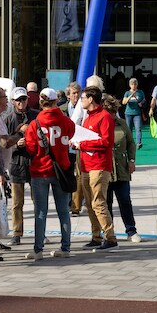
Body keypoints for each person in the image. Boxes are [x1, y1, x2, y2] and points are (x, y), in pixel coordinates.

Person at [22, 87, 76, 260]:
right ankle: (65, 248)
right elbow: (72, 134)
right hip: (61, 170)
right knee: (64, 211)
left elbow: (31, 149)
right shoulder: (66, 121)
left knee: (40, 212)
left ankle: (38, 250)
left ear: (40, 102)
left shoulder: (35, 123)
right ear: (56, 102)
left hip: (40, 171)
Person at [78, 86, 117, 250]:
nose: (81, 101)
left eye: (83, 98)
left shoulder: (104, 117)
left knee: (98, 202)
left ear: (90, 99)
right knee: (89, 203)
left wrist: (83, 144)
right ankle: (96, 236)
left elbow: (106, 141)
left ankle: (110, 237)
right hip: (86, 165)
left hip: (99, 166)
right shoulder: (87, 117)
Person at [104, 95, 141, 243]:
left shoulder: (122, 124)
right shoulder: (100, 124)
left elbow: (131, 143)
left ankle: (131, 230)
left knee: (125, 201)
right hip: (105, 170)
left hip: (121, 169)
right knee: (106, 203)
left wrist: (131, 160)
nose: (113, 115)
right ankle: (108, 232)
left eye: (115, 112)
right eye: (110, 112)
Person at [4, 87, 33, 246]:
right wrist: (16, 145)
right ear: (13, 102)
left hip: (34, 163)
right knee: (16, 203)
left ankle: (40, 232)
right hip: (16, 163)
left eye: (24, 99)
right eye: (18, 100)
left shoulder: (35, 115)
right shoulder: (8, 119)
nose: (22, 102)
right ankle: (17, 233)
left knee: (38, 201)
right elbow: (4, 143)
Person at [65, 82, 87, 215]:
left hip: (79, 147)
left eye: (78, 93)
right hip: (66, 148)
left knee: (80, 176)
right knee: (68, 175)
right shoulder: (62, 109)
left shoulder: (85, 107)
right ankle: (69, 201)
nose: (76, 95)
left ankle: (78, 202)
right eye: (73, 93)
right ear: (68, 95)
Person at [122, 78, 146, 149]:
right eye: (132, 84)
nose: (134, 86)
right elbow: (124, 102)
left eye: (135, 84)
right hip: (128, 113)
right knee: (129, 129)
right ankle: (129, 143)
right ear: (130, 85)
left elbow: (144, 100)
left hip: (137, 113)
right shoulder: (127, 93)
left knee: (138, 128)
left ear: (137, 84)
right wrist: (130, 96)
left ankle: (138, 143)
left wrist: (141, 103)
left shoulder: (140, 92)